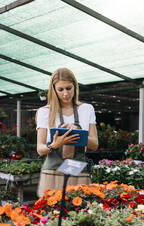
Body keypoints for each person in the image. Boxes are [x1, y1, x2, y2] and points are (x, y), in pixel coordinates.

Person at [36, 68, 98, 197]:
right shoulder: (44, 112)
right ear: (53, 90)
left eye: (69, 88)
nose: (65, 93)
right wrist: (54, 145)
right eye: (60, 89)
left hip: (78, 171)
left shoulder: (86, 109)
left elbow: (94, 144)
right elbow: (40, 149)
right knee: (51, 213)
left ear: (75, 86)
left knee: (78, 212)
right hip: (52, 172)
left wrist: (78, 131)